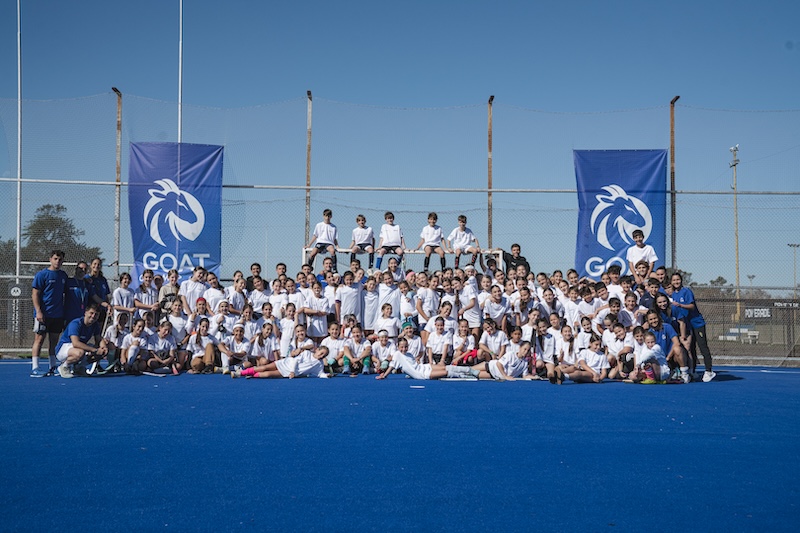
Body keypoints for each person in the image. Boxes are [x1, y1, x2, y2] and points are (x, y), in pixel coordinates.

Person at [234, 324, 329, 379]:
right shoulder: (307, 353)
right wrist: (292, 371)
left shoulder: (319, 364)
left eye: (323, 355)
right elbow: (295, 360)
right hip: (286, 364)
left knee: (267, 374)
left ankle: (252, 375)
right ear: (317, 350)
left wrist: (327, 375)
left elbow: (320, 374)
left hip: (289, 372)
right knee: (264, 367)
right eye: (321, 353)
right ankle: (240, 373)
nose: (321, 356)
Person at [670, 272, 716, 382]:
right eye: (674, 280)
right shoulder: (673, 294)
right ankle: (693, 371)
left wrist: (681, 305)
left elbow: (691, 306)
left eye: (678, 280)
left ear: (681, 281)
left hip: (697, 323)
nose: (676, 282)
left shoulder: (686, 292)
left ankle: (709, 371)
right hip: (687, 325)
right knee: (691, 348)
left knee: (702, 346)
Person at [30, 250, 68, 377]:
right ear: (50, 259)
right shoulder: (42, 275)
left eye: (60, 259)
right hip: (43, 315)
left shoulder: (63, 276)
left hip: (57, 315)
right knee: (39, 339)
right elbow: (35, 294)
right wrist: (39, 311)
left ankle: (52, 366)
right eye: (56, 259)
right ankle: (35, 367)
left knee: (54, 342)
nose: (58, 261)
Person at [375, 337, 475, 380]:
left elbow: (411, 366)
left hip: (423, 367)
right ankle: (464, 376)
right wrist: (384, 375)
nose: (404, 349)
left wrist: (409, 374)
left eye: (405, 346)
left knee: (444, 367)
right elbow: (392, 366)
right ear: (398, 347)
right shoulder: (397, 354)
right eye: (401, 347)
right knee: (445, 372)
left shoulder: (409, 354)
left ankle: (469, 370)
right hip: (421, 374)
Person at [54, 303, 109, 379]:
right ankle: (64, 367)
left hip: (78, 348)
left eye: (96, 314)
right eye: (91, 313)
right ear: (85, 313)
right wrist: (95, 350)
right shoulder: (76, 324)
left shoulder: (95, 325)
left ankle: (79, 367)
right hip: (64, 348)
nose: (93, 316)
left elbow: (99, 338)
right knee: (80, 353)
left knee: (101, 353)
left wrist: (103, 347)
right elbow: (76, 343)